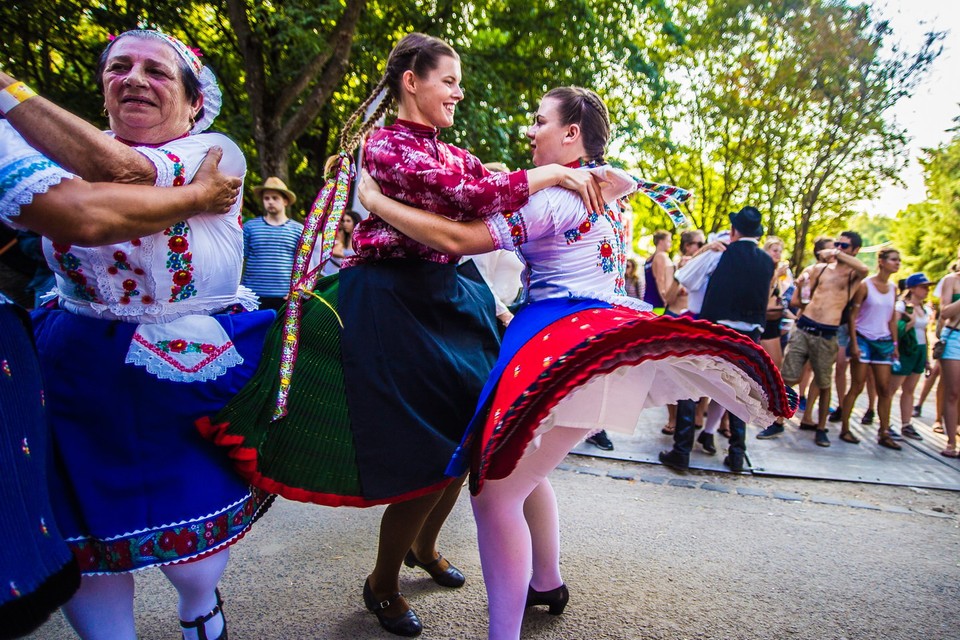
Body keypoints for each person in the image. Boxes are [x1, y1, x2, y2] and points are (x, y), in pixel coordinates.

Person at [201, 33, 604, 638]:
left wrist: (536, 178)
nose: (459, 92)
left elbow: (483, 192)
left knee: (468, 445)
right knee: (424, 453)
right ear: (411, 81)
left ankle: (425, 546)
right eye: (449, 80)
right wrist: (551, 172)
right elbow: (470, 197)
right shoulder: (385, 147)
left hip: (450, 300)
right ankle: (383, 582)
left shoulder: (446, 149)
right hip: (394, 306)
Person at [359, 86, 793, 640]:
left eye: (539, 121)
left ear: (570, 134)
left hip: (565, 344)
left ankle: (504, 633)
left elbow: (455, 238)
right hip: (601, 347)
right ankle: (546, 580)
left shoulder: (556, 198)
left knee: (494, 495)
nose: (530, 131)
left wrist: (375, 203)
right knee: (527, 469)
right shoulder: (606, 188)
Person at [2, 30, 275, 640]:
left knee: (194, 546)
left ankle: (199, 609)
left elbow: (116, 171)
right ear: (101, 91)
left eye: (157, 72)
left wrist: (5, 88)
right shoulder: (54, 166)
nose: (134, 78)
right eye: (119, 67)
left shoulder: (214, 152)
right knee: (84, 526)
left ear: (193, 101)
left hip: (179, 360)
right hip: (75, 359)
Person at [659, 206, 776, 472]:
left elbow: (684, 278)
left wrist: (704, 250)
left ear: (734, 231)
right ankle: (736, 454)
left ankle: (681, 451)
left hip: (716, 330)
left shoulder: (719, 254)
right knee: (740, 390)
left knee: (689, 383)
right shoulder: (767, 261)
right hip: (750, 335)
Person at [757, 231, 868, 446]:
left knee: (823, 383)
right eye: (837, 245)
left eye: (844, 246)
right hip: (804, 327)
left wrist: (836, 253)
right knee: (788, 377)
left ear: (854, 250)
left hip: (827, 334)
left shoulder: (854, 277)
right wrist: (800, 286)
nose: (838, 249)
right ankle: (777, 421)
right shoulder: (820, 269)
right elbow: (800, 298)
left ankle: (821, 427)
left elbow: (864, 269)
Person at [839, 247, 902, 449]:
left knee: (884, 389)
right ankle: (845, 428)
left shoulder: (893, 288)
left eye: (899, 260)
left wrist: (894, 344)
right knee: (857, 385)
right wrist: (854, 343)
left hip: (883, 341)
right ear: (881, 262)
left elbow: (892, 318)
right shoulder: (865, 285)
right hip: (863, 338)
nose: (897, 263)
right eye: (893, 259)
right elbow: (853, 316)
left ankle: (884, 432)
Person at [241, 176, 303, 309]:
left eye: (275, 198)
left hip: (284, 295)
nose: (270, 202)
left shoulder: (298, 230)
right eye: (266, 198)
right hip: (253, 294)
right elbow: (240, 260)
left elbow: (302, 264)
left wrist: (296, 288)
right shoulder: (250, 227)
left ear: (285, 201)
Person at [889, 273, 933, 441]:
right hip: (905, 349)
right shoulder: (902, 306)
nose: (926, 290)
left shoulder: (925, 309)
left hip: (919, 350)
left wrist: (927, 358)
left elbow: (925, 333)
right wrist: (909, 323)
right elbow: (896, 329)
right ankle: (885, 424)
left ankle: (906, 424)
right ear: (912, 288)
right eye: (923, 287)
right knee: (891, 389)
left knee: (909, 390)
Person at [935, 255, 960, 457]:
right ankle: (951, 442)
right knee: (953, 392)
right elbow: (945, 313)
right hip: (954, 337)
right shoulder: (951, 280)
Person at [321, 208, 362, 276]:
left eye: (348, 221)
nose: (345, 224)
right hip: (335, 275)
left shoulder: (360, 239)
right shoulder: (343, 236)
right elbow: (333, 251)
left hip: (352, 275)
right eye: (344, 221)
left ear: (355, 222)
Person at [643, 229, 673, 314]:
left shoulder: (649, 259)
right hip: (659, 303)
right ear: (661, 241)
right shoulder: (661, 256)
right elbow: (660, 279)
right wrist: (665, 300)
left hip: (649, 301)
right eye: (669, 241)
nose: (670, 244)